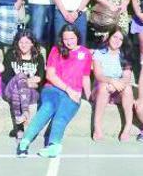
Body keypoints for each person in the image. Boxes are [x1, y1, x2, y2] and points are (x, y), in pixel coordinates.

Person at [16, 24, 93, 158]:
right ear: (61, 39)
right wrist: (68, 89)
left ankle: (54, 146)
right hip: (53, 89)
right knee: (46, 108)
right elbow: (50, 75)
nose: (69, 42)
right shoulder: (56, 50)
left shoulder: (85, 53)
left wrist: (89, 97)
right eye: (65, 39)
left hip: (73, 93)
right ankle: (24, 142)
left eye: (72, 38)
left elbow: (86, 77)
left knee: (61, 116)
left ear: (78, 37)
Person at [92, 27, 135, 142]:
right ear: (109, 37)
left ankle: (128, 127)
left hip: (117, 90)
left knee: (128, 89)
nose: (117, 41)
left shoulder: (124, 55)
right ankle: (97, 127)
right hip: (101, 90)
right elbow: (98, 75)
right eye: (115, 37)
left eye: (120, 39)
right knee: (103, 87)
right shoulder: (99, 53)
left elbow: (126, 77)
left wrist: (117, 84)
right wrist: (112, 81)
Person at [2, 30, 45, 141]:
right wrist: (25, 81)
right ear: (17, 43)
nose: (24, 45)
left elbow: (39, 79)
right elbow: (6, 77)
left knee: (18, 90)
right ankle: (25, 112)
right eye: (21, 42)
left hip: (32, 93)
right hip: (11, 89)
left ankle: (19, 130)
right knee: (20, 77)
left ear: (32, 43)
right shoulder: (11, 55)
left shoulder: (38, 57)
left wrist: (22, 82)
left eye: (27, 42)